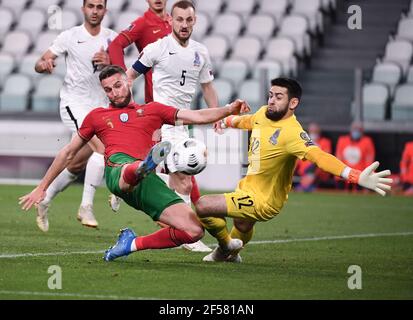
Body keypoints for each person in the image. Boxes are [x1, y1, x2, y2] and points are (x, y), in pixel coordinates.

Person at [19, 65, 250, 262]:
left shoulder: (153, 110)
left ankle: (131, 243)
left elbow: (197, 117)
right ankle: (141, 167)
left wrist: (228, 110)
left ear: (128, 82)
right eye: (108, 90)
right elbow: (68, 153)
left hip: (145, 181)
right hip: (117, 171)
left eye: (117, 85)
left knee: (193, 231)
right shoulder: (96, 116)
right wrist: (43, 187)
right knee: (129, 166)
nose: (114, 93)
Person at [193, 78, 393, 263]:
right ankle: (233, 253)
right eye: (270, 95)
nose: (272, 101)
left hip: (265, 200)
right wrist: (225, 121)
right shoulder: (263, 113)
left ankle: (224, 248)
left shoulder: (293, 133)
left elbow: (319, 157)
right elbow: (247, 121)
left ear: (293, 103)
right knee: (243, 225)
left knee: (203, 205)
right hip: (247, 189)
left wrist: (354, 175)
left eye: (278, 97)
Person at [126, 0, 221, 252]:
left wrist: (217, 117)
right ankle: (187, 233)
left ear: (195, 21)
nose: (184, 24)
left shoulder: (200, 52)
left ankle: (133, 176)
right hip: (161, 119)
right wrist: (132, 109)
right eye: (179, 19)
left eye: (189, 20)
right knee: (184, 175)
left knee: (176, 174)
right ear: (170, 20)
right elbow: (129, 76)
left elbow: (208, 86)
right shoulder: (156, 48)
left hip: (182, 122)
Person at [33, 0, 117, 231]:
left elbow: (122, 71)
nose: (95, 10)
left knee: (77, 162)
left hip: (101, 107)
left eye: (99, 6)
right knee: (101, 148)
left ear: (105, 10)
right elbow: (39, 62)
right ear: (83, 9)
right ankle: (86, 207)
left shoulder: (112, 38)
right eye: (91, 6)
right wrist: (45, 64)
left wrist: (111, 62)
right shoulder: (70, 36)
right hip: (75, 103)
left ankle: (45, 199)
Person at [335, 122, 376, 191]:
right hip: (344, 175)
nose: (356, 131)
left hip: (360, 175)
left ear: (362, 131)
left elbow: (369, 161)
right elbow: (338, 158)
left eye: (358, 129)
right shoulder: (342, 140)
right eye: (354, 129)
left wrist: (366, 176)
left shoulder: (367, 141)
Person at [295, 122, 333, 191]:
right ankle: (305, 185)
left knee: (315, 165)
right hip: (303, 172)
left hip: (318, 173)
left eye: (315, 131)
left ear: (319, 132)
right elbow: (297, 159)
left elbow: (325, 158)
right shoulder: (302, 142)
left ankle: (305, 185)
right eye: (312, 131)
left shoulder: (325, 142)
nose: (313, 133)